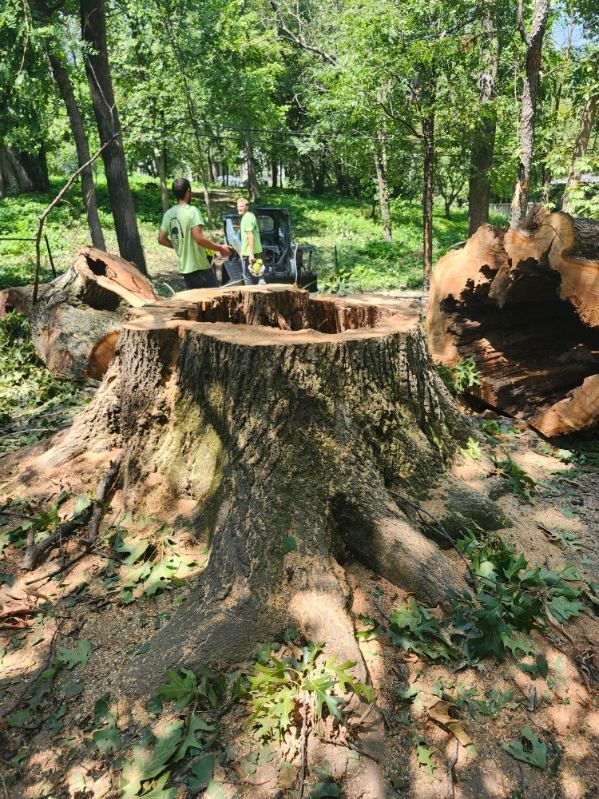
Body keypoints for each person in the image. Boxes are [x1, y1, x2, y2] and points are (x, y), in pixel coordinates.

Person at [158, 178, 230, 289]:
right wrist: (220, 248)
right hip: (200, 268)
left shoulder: (169, 214)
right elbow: (199, 239)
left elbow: (161, 239)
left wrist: (179, 245)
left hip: (186, 270)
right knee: (215, 302)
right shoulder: (192, 211)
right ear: (188, 191)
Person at [236, 197, 264, 284]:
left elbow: (250, 236)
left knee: (248, 276)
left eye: (241, 206)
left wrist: (251, 254)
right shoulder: (251, 215)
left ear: (247, 207)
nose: (239, 208)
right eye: (238, 206)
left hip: (250, 253)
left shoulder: (246, 218)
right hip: (256, 250)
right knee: (259, 273)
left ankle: (251, 296)